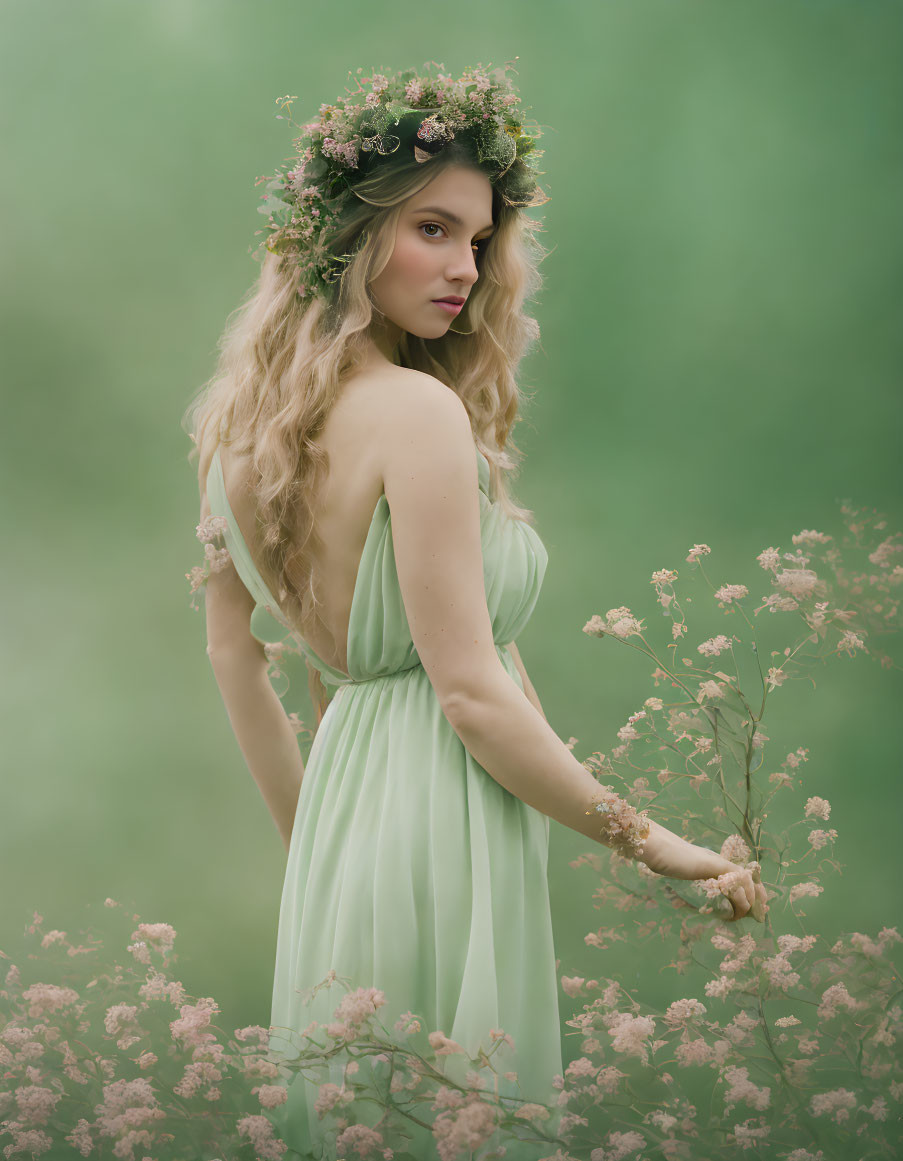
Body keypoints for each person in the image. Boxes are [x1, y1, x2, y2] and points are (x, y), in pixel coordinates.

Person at [183, 62, 763, 1160]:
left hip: (341, 838)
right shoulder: (417, 415)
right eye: (433, 230)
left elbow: (235, 660)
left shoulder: (230, 439)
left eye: (480, 241)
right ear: (350, 237)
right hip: (438, 823)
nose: (465, 267)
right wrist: (660, 846)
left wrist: (320, 855)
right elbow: (470, 691)